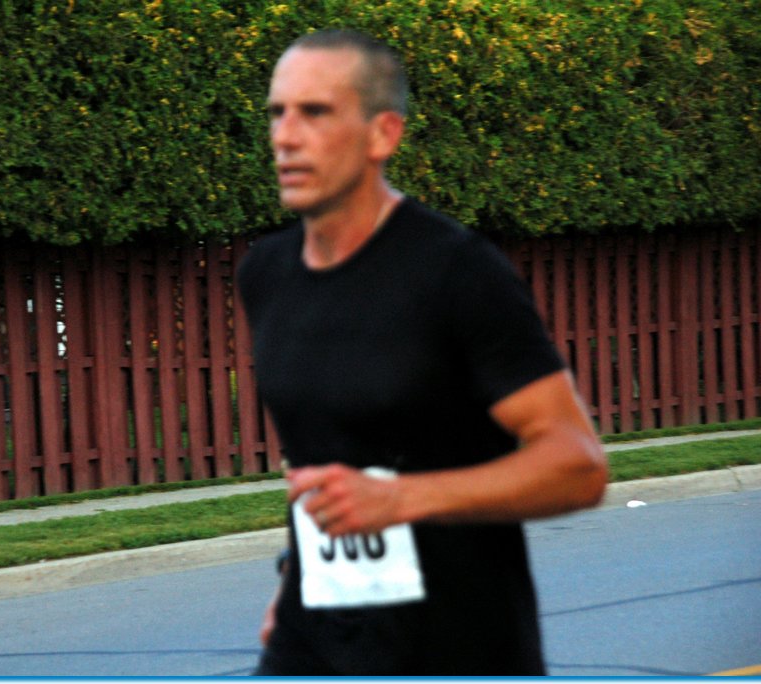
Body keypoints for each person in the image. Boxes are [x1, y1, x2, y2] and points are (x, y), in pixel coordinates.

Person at [237, 29, 608, 676]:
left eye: (315, 112)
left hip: (455, 642)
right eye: (277, 112)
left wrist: (402, 499)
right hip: (314, 637)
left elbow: (577, 465)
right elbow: (325, 455)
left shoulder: (457, 272)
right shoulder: (266, 274)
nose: (285, 136)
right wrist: (293, 576)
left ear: (383, 134)